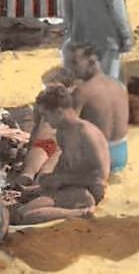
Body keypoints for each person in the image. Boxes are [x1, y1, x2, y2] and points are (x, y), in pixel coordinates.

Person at [9, 84, 110, 226]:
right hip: (70, 187)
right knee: (20, 210)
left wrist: (63, 180)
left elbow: (100, 178)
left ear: (59, 111)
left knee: (23, 216)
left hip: (87, 192)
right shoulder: (63, 131)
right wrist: (42, 187)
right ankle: (73, 208)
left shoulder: (88, 134)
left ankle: (82, 212)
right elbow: (64, 164)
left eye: (46, 115)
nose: (47, 121)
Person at [60, 42, 129, 175]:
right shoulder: (118, 85)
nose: (69, 68)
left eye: (74, 63)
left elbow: (67, 128)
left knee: (47, 130)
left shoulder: (82, 92)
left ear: (92, 61)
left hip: (97, 159)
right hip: (120, 154)